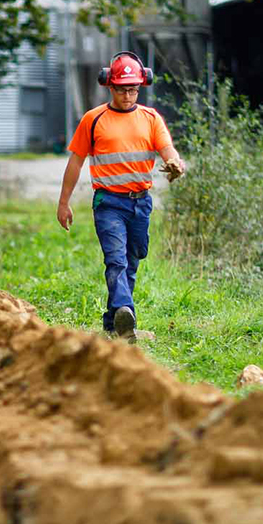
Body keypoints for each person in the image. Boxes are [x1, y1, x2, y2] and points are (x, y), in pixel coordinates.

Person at [55, 51, 185, 341]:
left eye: (133, 89)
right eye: (122, 89)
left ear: (140, 86)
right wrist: (63, 203)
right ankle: (125, 310)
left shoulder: (151, 118)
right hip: (108, 203)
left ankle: (113, 322)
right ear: (109, 86)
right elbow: (75, 163)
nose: (128, 95)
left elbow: (168, 150)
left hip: (140, 203)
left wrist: (176, 163)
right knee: (116, 260)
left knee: (133, 258)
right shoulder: (93, 119)